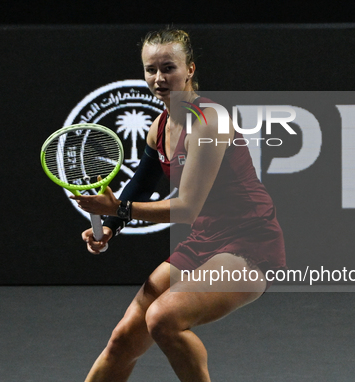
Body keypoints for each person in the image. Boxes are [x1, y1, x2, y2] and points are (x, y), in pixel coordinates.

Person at [71, 27, 286, 382]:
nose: (159, 78)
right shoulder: (159, 126)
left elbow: (186, 207)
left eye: (168, 68)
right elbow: (141, 183)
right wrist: (111, 227)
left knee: (163, 319)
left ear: (190, 69)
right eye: (150, 70)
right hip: (204, 240)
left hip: (251, 243)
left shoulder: (209, 120)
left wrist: (117, 210)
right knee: (124, 339)